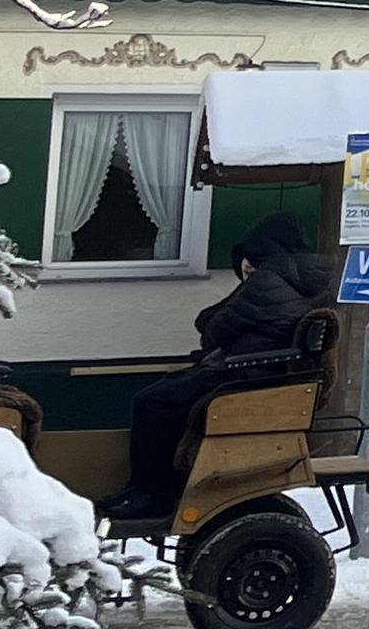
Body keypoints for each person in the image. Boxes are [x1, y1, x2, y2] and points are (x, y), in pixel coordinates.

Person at [116, 212, 335, 526]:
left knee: (152, 402)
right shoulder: (312, 279)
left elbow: (212, 327)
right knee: (169, 394)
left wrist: (246, 283)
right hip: (263, 374)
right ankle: (150, 490)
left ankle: (151, 493)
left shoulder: (267, 281)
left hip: (239, 376)